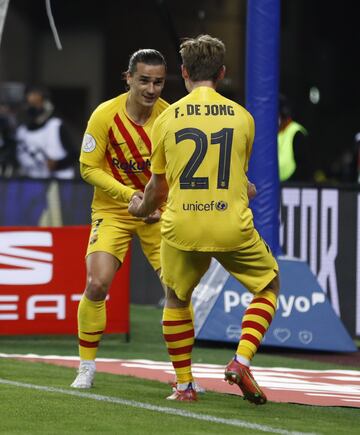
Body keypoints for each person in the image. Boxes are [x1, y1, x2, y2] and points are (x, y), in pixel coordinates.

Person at [128, 34, 280, 404]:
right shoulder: (243, 118)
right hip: (231, 225)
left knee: (176, 299)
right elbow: (238, 180)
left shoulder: (166, 119)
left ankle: (184, 386)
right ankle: (241, 360)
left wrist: (141, 210)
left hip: (182, 226)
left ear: (183, 73)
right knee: (268, 287)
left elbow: (157, 188)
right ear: (223, 73)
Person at [70, 49, 169, 389]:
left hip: (158, 212)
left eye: (158, 82)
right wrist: (131, 196)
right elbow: (88, 168)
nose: (151, 89)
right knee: (97, 284)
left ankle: (184, 379)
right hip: (114, 211)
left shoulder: (169, 117)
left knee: (178, 292)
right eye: (144, 80)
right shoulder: (104, 115)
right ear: (128, 78)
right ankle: (86, 366)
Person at [15, 86, 77, 179]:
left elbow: (74, 154)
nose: (33, 107)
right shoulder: (22, 132)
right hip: (30, 184)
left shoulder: (56, 126)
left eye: (37, 103)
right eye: (30, 103)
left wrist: (57, 164)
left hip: (59, 184)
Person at [278, 94, 310, 182]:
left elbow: (303, 166)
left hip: (293, 187)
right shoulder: (273, 133)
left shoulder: (297, 133)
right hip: (277, 186)